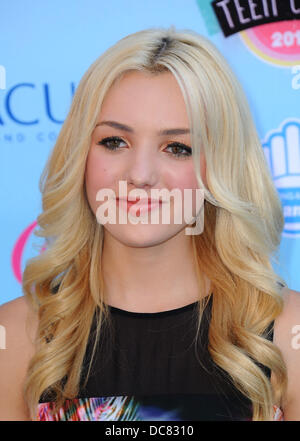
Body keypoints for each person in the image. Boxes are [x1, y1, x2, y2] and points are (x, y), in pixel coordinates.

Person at [0, 25, 299, 422]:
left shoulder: (287, 334)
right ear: (80, 155)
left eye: (177, 148)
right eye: (114, 142)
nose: (140, 175)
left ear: (219, 167)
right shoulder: (16, 336)